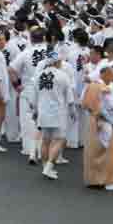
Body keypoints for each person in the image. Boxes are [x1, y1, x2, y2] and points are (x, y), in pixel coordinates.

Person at [81, 62, 113, 192]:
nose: (112, 79)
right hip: (103, 121)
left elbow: (84, 103)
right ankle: (110, 181)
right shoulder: (103, 88)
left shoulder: (91, 86)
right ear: (106, 74)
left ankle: (94, 180)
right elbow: (109, 105)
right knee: (110, 151)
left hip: (92, 121)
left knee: (94, 152)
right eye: (111, 76)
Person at [33, 51, 73, 181]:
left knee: (45, 140)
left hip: (43, 111)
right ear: (57, 62)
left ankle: (46, 167)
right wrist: (72, 111)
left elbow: (35, 96)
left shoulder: (38, 75)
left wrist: (34, 110)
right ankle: (49, 167)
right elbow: (70, 97)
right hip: (58, 112)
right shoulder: (63, 76)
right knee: (59, 139)